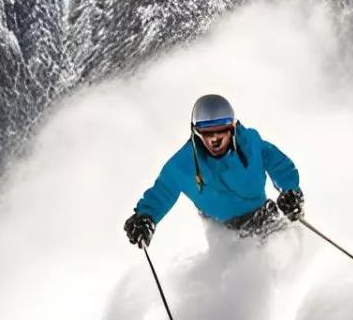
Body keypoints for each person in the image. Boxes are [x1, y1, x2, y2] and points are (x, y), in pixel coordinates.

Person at [123, 94, 305, 249]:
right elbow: (163, 190)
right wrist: (146, 217)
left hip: (261, 213)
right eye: (208, 133)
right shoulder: (184, 163)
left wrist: (290, 190)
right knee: (242, 272)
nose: (215, 140)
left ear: (232, 129)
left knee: (286, 248)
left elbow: (278, 163)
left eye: (221, 132)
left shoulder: (250, 144)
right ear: (196, 133)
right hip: (223, 228)